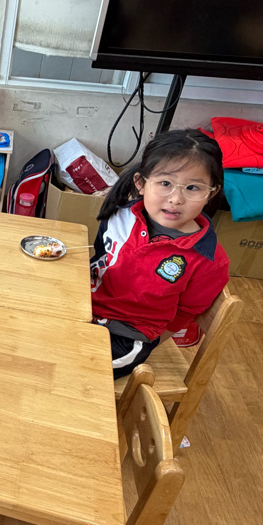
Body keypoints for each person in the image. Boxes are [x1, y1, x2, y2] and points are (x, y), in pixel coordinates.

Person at [91, 129, 229, 378]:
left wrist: (150, 342)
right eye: (165, 183)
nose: (176, 199)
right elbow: (99, 257)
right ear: (141, 183)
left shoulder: (209, 261)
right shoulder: (119, 214)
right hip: (82, 307)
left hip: (127, 336)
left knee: (72, 367)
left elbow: (185, 313)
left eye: (192, 187)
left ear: (211, 192)